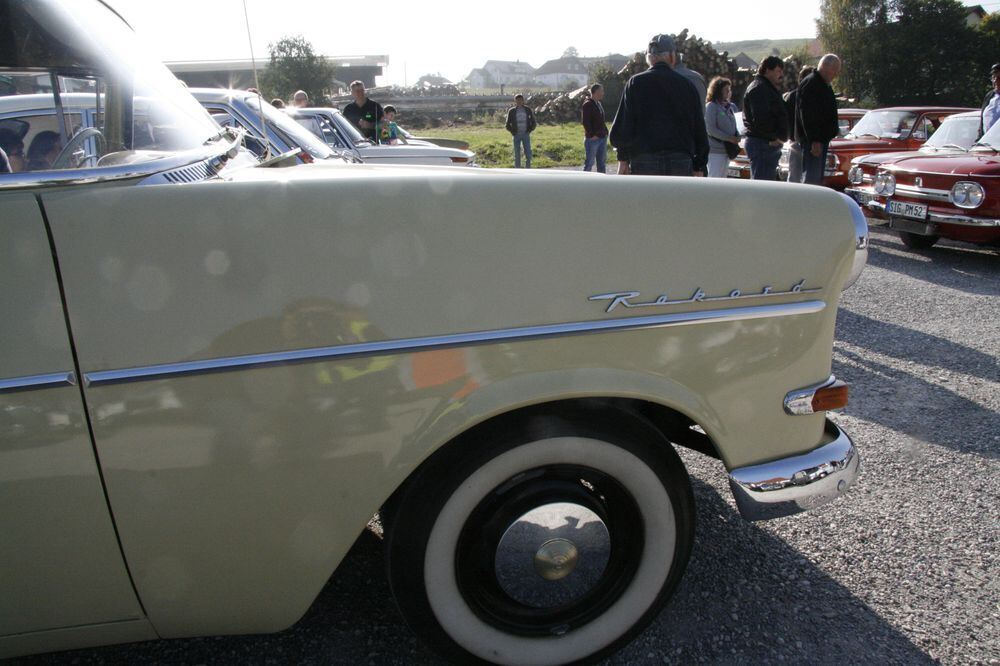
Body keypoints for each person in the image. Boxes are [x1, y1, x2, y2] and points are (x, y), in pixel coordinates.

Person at [609, 33, 709, 177]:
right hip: (680, 161)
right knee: (677, 200)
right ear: (673, 56)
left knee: (645, 200)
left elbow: (624, 126)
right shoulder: (687, 86)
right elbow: (699, 127)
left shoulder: (635, 83)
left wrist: (623, 158)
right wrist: (699, 164)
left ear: (649, 58)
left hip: (644, 160)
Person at [796, 54, 841, 185]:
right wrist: (815, 140)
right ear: (827, 68)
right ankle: (808, 204)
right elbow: (808, 115)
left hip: (820, 140)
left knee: (816, 177)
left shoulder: (822, 84)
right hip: (815, 142)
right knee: (812, 179)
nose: (836, 74)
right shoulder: (812, 84)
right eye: (836, 70)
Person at [742, 56, 787, 181]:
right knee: (761, 188)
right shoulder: (759, 88)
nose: (781, 74)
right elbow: (761, 119)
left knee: (765, 186)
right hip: (763, 144)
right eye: (778, 71)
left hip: (766, 144)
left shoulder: (766, 87)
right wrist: (774, 138)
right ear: (767, 70)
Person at [704, 77, 740, 179]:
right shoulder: (711, 107)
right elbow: (711, 129)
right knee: (714, 179)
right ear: (718, 90)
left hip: (727, 151)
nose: (729, 92)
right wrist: (728, 138)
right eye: (726, 90)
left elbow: (735, 125)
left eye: (730, 90)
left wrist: (737, 135)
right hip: (715, 152)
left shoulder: (731, 107)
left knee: (723, 180)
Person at [783, 66, 814, 183]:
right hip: (798, 142)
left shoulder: (791, 96)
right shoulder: (793, 97)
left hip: (800, 141)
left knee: (796, 175)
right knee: (796, 175)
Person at [581, 84, 608, 172]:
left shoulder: (599, 104)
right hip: (593, 140)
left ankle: (602, 183)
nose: (603, 93)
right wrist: (592, 135)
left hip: (602, 138)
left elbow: (601, 120)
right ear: (596, 92)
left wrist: (605, 132)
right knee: (589, 163)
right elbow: (585, 122)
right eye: (602, 91)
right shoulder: (587, 104)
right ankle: (584, 183)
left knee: (602, 163)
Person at [504, 94, 536, 168]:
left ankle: (528, 168)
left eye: (520, 100)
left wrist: (530, 130)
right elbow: (507, 124)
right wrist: (513, 132)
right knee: (517, 154)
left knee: (528, 152)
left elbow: (533, 122)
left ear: (523, 101)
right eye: (517, 100)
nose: (519, 102)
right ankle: (518, 170)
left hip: (525, 134)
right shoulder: (511, 111)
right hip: (516, 135)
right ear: (515, 101)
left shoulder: (527, 110)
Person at [981, 63, 1000, 135]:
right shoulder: (989, 96)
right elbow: (983, 123)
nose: (995, 81)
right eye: (993, 77)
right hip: (987, 144)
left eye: (999, 78)